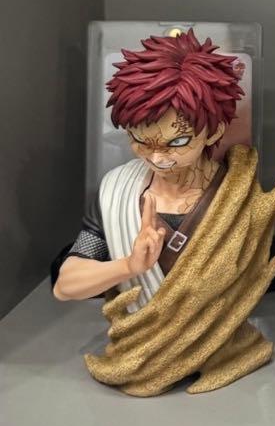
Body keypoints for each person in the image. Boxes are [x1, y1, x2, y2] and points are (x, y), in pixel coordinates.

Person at [53, 29, 244, 308]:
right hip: (140, 327)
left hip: (216, 325)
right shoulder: (117, 192)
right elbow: (66, 285)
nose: (156, 157)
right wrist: (129, 266)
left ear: (214, 132)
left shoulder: (237, 192)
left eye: (177, 142)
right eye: (140, 140)